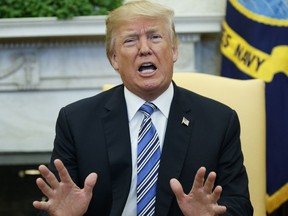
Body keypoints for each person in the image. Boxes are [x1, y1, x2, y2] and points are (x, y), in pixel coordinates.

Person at [33, 0, 253, 215]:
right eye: (130, 41)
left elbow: (240, 206)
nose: (144, 49)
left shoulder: (220, 122)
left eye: (155, 37)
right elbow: (56, 204)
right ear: (114, 58)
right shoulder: (76, 121)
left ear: (174, 51)